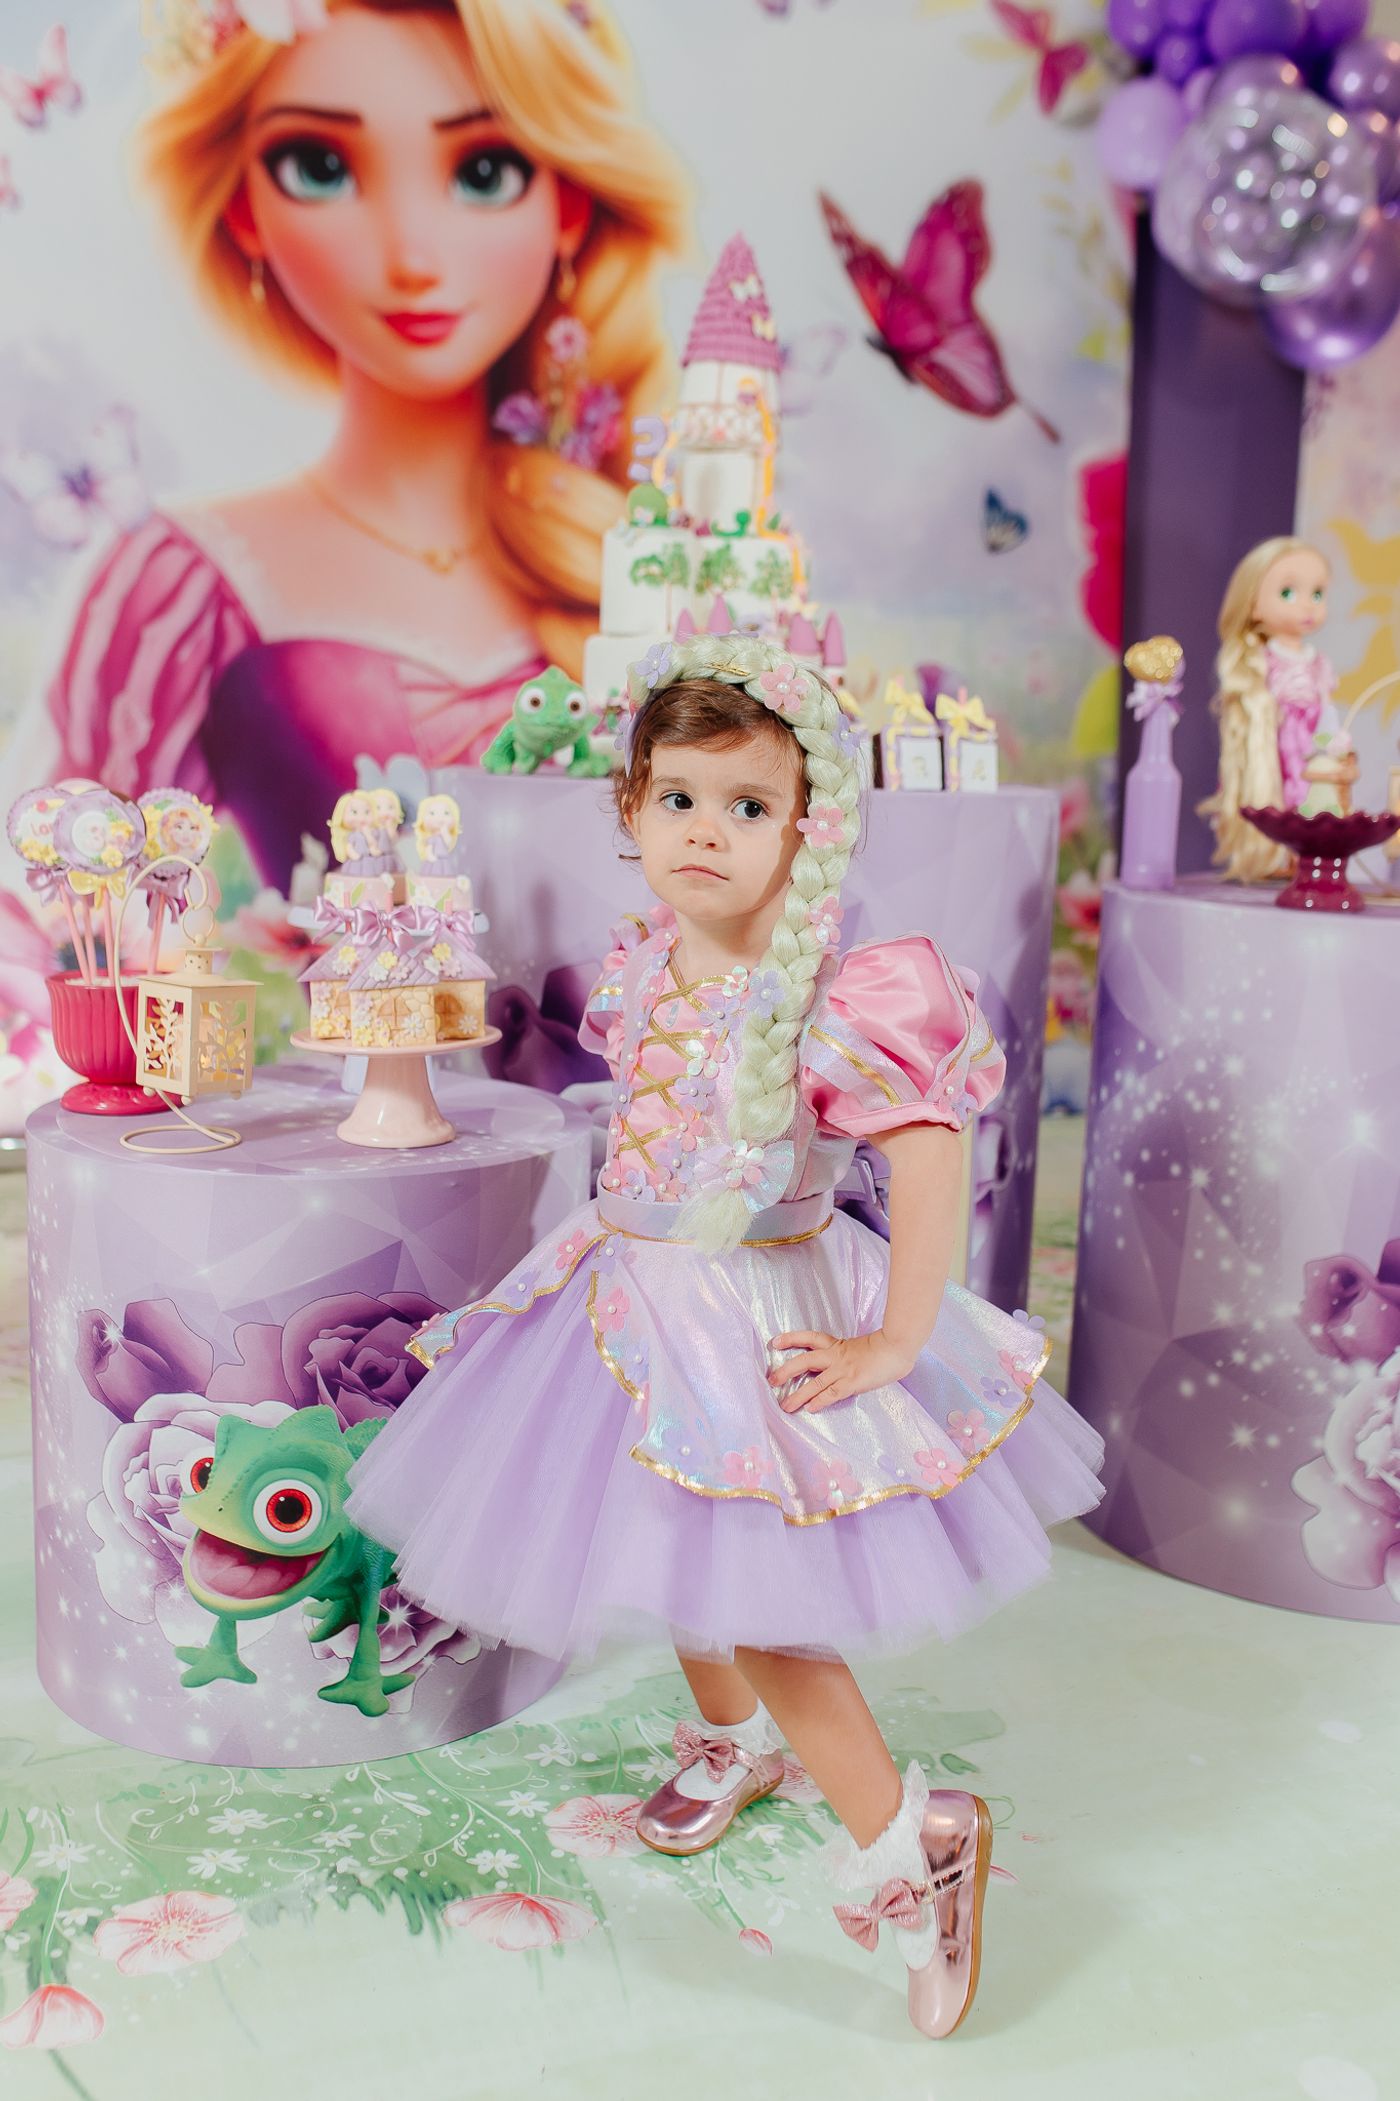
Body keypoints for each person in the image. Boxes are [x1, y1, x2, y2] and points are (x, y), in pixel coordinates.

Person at [342, 629, 1105, 2038]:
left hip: (754, 1311)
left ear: (805, 827)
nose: (706, 830)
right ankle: (731, 1739)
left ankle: (914, 1841)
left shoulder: (831, 992)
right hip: (628, 1294)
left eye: (748, 805)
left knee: (766, 1603)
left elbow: (928, 1153)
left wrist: (894, 1340)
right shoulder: (647, 961)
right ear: (630, 812)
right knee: (670, 1536)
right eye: (679, 798)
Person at [36, 0, 687, 890]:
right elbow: (66, 925)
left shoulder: (664, 565)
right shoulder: (178, 589)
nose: (412, 255)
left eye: (486, 171)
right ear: (243, 207)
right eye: (321, 167)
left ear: (569, 203)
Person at [1200, 537, 1346, 882]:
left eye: (1317, 594)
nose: (1307, 605)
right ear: (1253, 605)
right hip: (1272, 747)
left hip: (1311, 751)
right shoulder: (1260, 662)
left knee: (1314, 798)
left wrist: (1335, 740)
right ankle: (1271, 854)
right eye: (1288, 593)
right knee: (1276, 796)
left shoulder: (1318, 663)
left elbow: (1326, 708)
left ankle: (1304, 857)